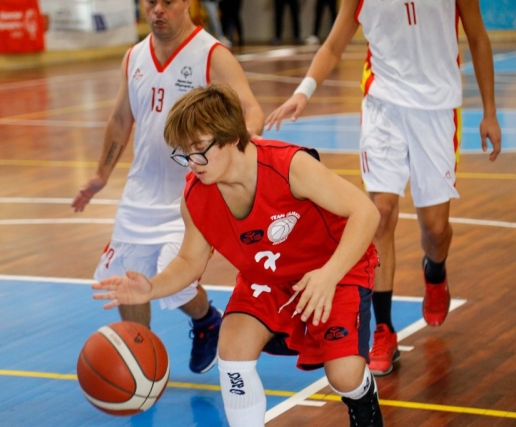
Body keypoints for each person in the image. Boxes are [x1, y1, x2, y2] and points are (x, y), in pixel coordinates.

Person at [92, 84, 384, 426]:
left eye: (199, 150)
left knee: (345, 377)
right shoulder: (195, 195)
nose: (192, 162)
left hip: (332, 269)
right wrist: (151, 288)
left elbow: (366, 212)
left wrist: (329, 274)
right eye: (184, 153)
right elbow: (190, 261)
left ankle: (363, 396)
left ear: (230, 136)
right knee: (232, 348)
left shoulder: (289, 165)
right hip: (267, 279)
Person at [266, 0, 502, 376]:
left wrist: (489, 111)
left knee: (435, 229)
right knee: (381, 214)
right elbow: (334, 45)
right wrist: (303, 91)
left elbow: (477, 37)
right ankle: (384, 329)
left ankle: (435, 271)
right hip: (383, 106)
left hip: (437, 108)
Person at [72, 0, 264, 375]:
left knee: (173, 279)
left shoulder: (211, 54)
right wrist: (101, 176)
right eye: (150, 2)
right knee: (127, 280)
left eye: (168, 2)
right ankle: (138, 363)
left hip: (191, 193)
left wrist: (245, 143)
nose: (158, 10)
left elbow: (250, 108)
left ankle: (206, 320)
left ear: (186, 3)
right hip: (140, 192)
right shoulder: (134, 57)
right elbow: (120, 119)